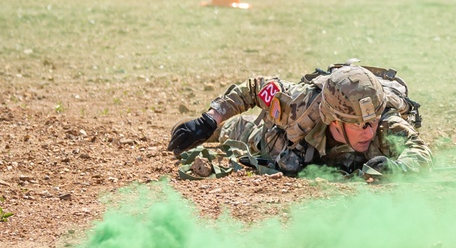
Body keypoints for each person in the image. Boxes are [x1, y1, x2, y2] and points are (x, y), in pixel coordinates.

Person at [167, 61, 431, 178]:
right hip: (279, 139)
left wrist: (397, 169)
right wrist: (210, 120)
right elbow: (255, 88)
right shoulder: (299, 104)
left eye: (372, 123)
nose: (369, 131)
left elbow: (418, 151)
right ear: (334, 120)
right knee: (259, 140)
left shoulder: (383, 122)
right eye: (360, 125)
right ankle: (224, 131)